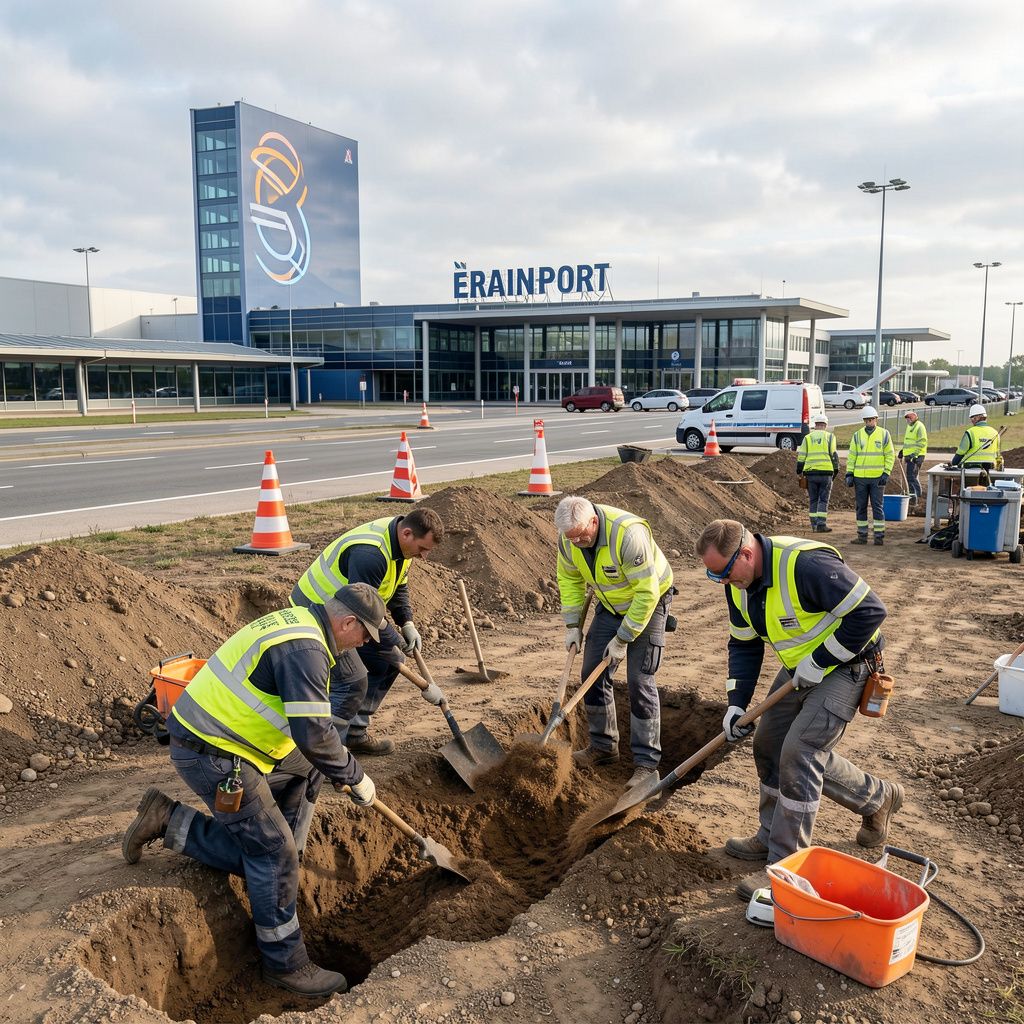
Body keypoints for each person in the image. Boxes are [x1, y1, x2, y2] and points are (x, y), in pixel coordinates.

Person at [122, 583, 405, 998]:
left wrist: (336, 765)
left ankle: (278, 858)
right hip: (213, 752)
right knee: (272, 855)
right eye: (363, 635)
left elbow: (314, 739)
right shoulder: (305, 652)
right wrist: (356, 776)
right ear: (347, 623)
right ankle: (285, 964)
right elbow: (313, 735)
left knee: (308, 775)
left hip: (238, 741)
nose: (362, 644)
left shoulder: (309, 625)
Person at [696, 520, 904, 901]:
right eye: (714, 576)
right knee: (769, 743)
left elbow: (871, 610)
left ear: (746, 553)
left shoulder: (805, 566)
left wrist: (822, 659)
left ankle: (786, 866)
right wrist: (736, 704)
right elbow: (743, 646)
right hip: (800, 669)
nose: (723, 582)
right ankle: (874, 800)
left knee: (801, 751)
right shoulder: (738, 585)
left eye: (724, 573)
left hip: (850, 665)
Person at [291, 509, 445, 755]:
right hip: (316, 614)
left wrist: (407, 623)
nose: (425, 556)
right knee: (351, 682)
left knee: (389, 662)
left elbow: (398, 586)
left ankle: (354, 733)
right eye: (423, 548)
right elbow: (363, 610)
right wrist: (395, 641)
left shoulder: (401, 546)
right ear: (407, 533)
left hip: (347, 616)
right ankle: (326, 754)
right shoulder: (370, 555)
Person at [555, 495, 674, 788]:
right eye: (572, 539)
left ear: (594, 522)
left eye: (582, 536)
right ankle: (603, 746)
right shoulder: (569, 541)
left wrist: (623, 639)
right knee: (591, 674)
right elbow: (569, 581)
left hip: (650, 602)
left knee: (639, 680)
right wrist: (572, 626)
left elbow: (646, 593)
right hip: (610, 605)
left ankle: (646, 764)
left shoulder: (627, 535)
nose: (578, 543)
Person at [845, 405, 895, 545]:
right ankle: (862, 536)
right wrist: (849, 473)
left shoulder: (884, 434)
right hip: (860, 477)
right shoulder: (857, 435)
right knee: (860, 507)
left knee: (877, 507)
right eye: (866, 420)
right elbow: (852, 456)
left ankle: (879, 537)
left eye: (871, 420)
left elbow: (890, 455)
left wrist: (886, 473)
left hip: (877, 478)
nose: (868, 422)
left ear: (876, 420)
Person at [796, 412, 839, 532]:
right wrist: (835, 471)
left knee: (813, 500)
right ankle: (821, 524)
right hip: (826, 473)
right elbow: (834, 455)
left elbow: (801, 457)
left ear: (815, 425)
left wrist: (799, 471)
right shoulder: (830, 437)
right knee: (823, 499)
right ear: (825, 425)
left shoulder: (808, 438)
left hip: (810, 474)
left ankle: (814, 525)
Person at [948, 404, 1000, 471]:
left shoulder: (970, 432)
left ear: (977, 418)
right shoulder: (995, 433)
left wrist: (953, 463)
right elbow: (998, 454)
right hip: (991, 469)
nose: (971, 420)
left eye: (972, 418)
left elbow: (961, 453)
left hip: (970, 469)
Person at [899, 410, 928, 503]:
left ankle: (918, 498)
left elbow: (922, 442)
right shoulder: (910, 427)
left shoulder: (919, 426)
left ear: (915, 416)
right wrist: (902, 451)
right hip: (909, 457)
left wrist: (913, 455)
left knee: (912, 477)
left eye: (909, 416)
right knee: (911, 477)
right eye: (906, 417)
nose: (908, 419)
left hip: (916, 457)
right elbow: (908, 442)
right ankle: (913, 497)